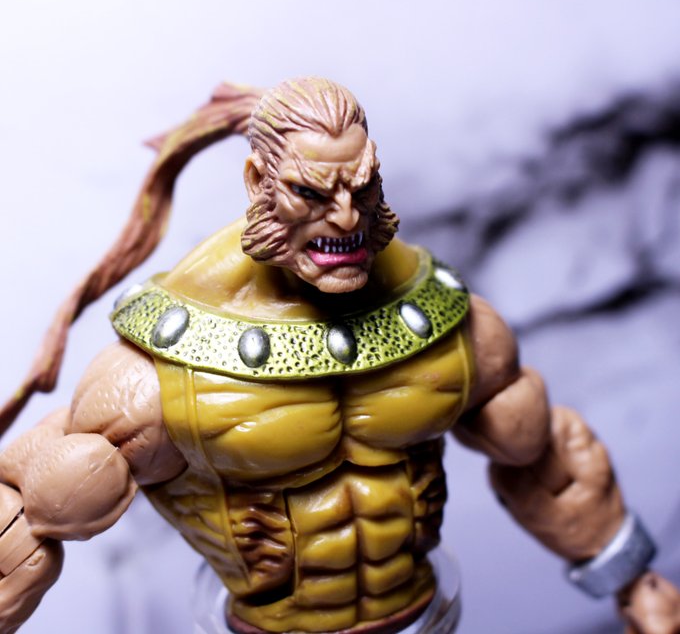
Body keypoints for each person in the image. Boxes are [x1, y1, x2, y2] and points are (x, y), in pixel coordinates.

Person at [0, 77, 678, 633]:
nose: (348, 218)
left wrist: (634, 582)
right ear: (257, 181)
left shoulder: (447, 322)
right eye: (311, 193)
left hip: (425, 615)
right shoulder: (157, 374)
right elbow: (35, 510)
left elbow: (543, 454)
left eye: (364, 185)